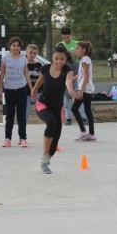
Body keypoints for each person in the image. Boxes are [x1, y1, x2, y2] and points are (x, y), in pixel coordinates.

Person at [31, 45, 77, 174]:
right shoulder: (45, 68)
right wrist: (34, 91)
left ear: (66, 58)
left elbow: (68, 82)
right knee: (51, 123)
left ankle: (46, 160)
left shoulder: (68, 71)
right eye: (56, 58)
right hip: (43, 104)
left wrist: (71, 90)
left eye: (62, 59)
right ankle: (45, 156)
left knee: (55, 138)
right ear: (52, 57)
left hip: (57, 108)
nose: (59, 62)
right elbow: (40, 81)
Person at [0, 37, 33, 148]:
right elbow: (2, 74)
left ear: (20, 47)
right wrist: (0, 88)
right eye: (13, 45)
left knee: (21, 115)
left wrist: (32, 88)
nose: (15, 47)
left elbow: (26, 74)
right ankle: (7, 139)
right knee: (10, 115)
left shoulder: (23, 59)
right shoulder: (5, 59)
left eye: (17, 45)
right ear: (10, 47)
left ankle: (23, 138)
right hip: (9, 89)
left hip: (21, 88)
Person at [56, 26, 87, 125]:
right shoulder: (59, 45)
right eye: (65, 37)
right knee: (66, 94)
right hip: (64, 69)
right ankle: (68, 117)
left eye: (68, 37)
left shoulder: (76, 44)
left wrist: (71, 52)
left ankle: (82, 117)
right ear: (62, 36)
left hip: (76, 68)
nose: (66, 39)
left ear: (71, 35)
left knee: (77, 93)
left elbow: (80, 56)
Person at [72, 41, 96, 141]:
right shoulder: (84, 59)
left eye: (78, 48)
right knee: (87, 111)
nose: (76, 50)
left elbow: (86, 76)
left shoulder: (84, 60)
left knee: (74, 109)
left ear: (84, 50)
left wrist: (81, 91)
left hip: (85, 89)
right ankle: (91, 134)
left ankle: (83, 131)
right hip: (87, 88)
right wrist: (72, 78)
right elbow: (82, 75)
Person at [25, 44, 43, 121]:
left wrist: (35, 89)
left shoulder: (39, 65)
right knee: (25, 112)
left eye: (35, 53)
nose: (32, 55)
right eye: (31, 52)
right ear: (27, 53)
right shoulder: (23, 64)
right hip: (26, 91)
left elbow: (42, 79)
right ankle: (23, 128)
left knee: (42, 110)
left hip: (38, 91)